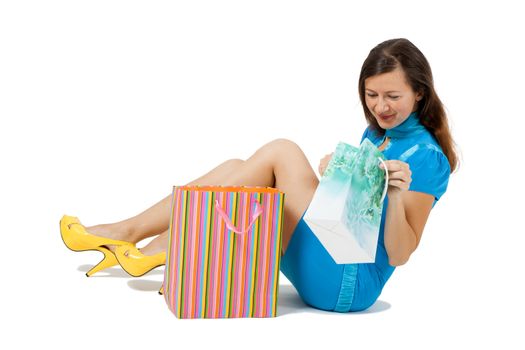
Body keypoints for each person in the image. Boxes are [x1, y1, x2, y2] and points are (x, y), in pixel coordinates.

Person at [60, 38, 458, 312]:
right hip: (332, 258)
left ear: (419, 93)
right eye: (372, 95)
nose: (381, 107)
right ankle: (145, 239)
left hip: (348, 285)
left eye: (393, 97)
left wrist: (391, 195)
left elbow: (401, 253)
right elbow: (352, 216)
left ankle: (151, 241)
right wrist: (335, 175)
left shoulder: (427, 158)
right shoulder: (376, 134)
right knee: (237, 168)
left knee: (281, 153)